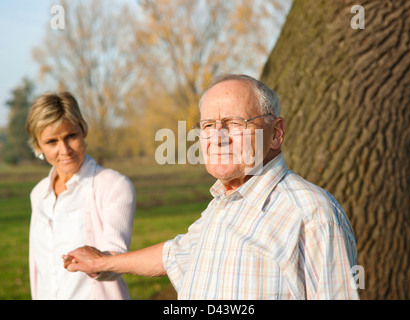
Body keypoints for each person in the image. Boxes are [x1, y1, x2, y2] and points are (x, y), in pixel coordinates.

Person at [64, 74, 359, 299]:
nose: (217, 138)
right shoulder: (222, 204)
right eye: (207, 126)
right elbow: (175, 254)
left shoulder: (313, 213)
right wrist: (103, 262)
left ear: (276, 133)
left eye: (233, 123)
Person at [26, 92, 135, 300]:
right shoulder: (38, 194)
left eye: (71, 136)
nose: (64, 150)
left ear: (83, 130)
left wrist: (95, 264)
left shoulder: (113, 185)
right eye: (51, 142)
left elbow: (117, 259)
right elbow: (39, 268)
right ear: (38, 146)